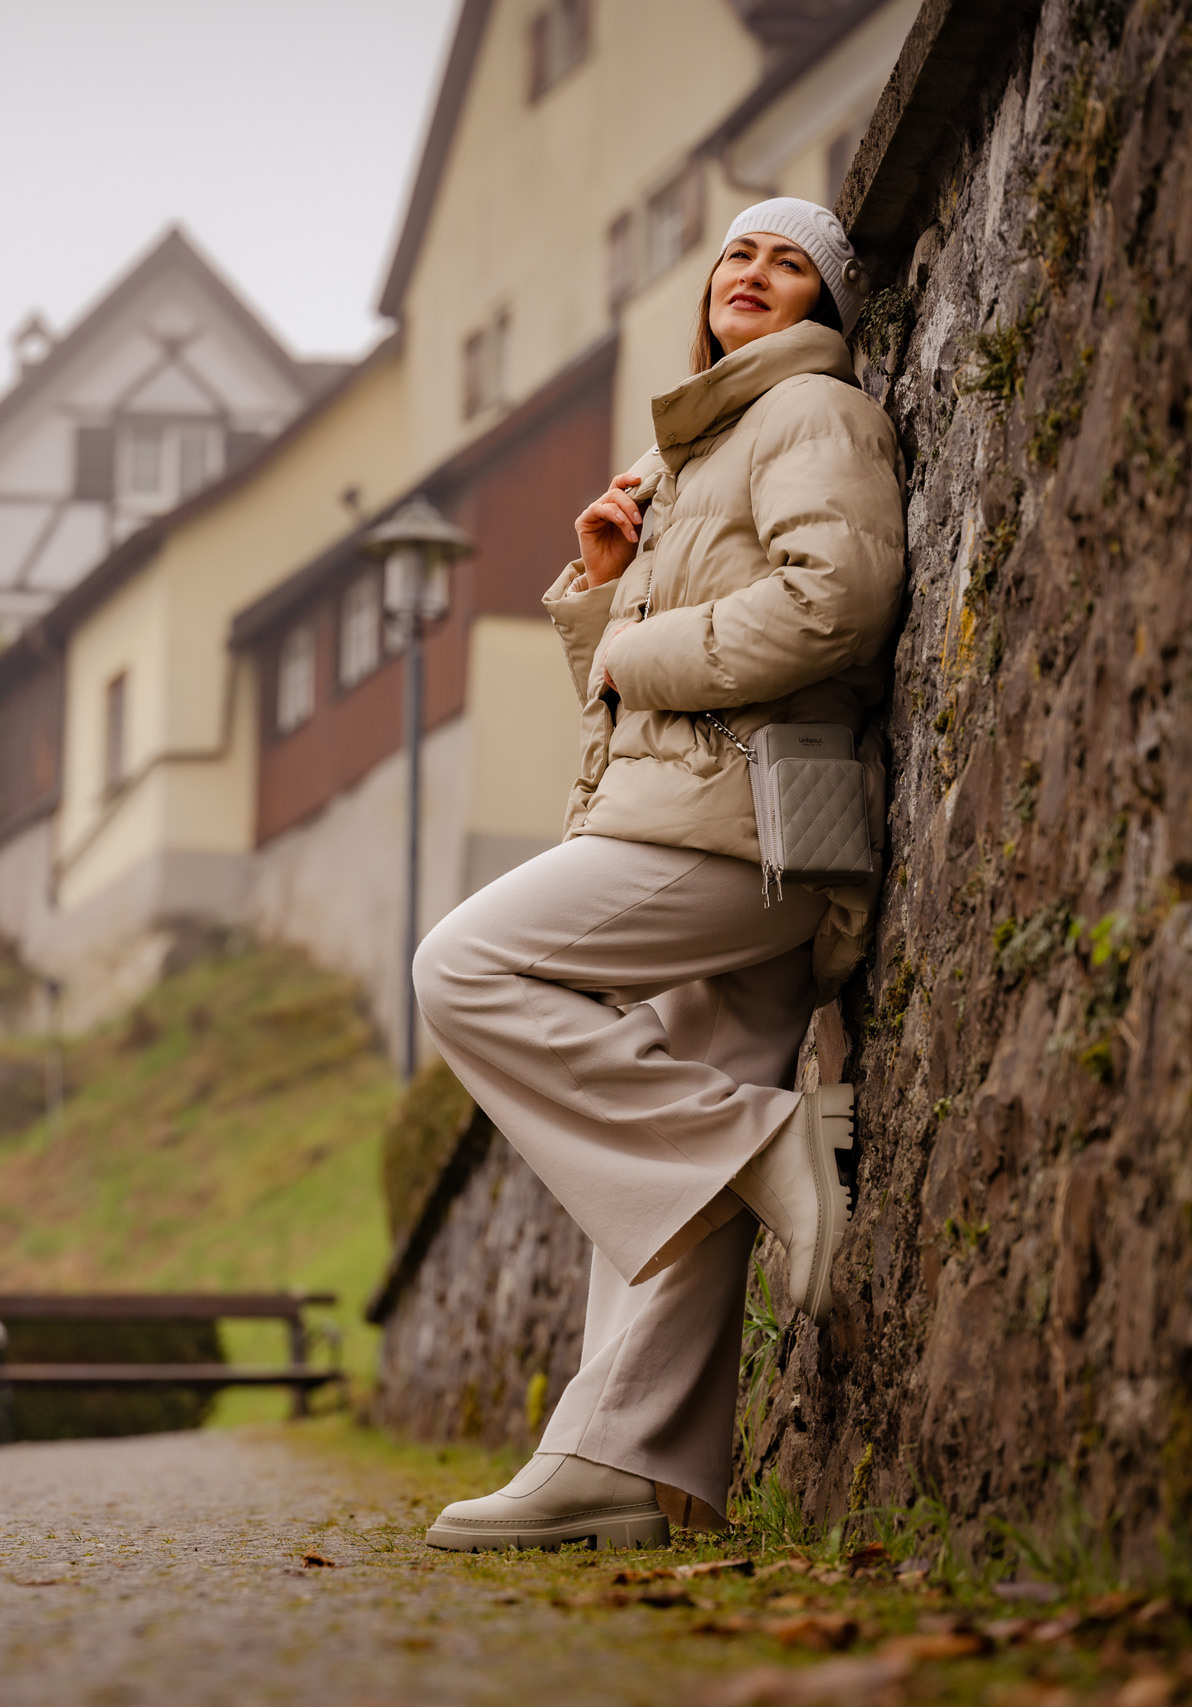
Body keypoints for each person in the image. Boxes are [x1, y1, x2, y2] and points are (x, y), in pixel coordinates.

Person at [415, 198, 905, 1553]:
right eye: (737, 253)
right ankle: (620, 1466)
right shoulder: (690, 449)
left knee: (462, 968)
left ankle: (755, 1142)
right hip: (716, 816)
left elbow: (835, 604)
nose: (751, 272)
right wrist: (602, 590)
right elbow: (633, 698)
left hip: (740, 836)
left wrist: (640, 648)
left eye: (788, 261)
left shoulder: (814, 414)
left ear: (827, 305)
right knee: (673, 1164)